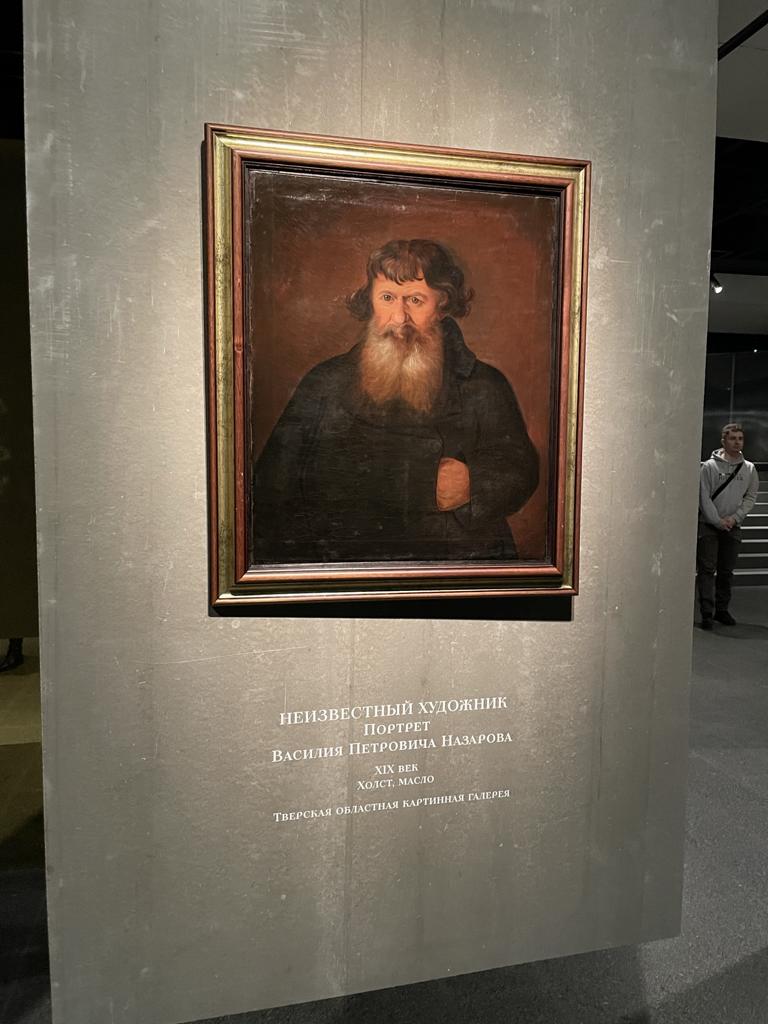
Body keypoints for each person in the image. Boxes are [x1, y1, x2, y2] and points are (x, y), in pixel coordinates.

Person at [252, 239, 539, 564]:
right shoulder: (325, 382)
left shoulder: (482, 384)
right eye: (387, 298)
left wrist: (475, 483)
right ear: (371, 300)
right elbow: (271, 489)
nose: (399, 318)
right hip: (346, 567)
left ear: (442, 305)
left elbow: (520, 466)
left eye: (415, 300)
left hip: (452, 568)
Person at [696, 423, 760, 629]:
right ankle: (707, 613)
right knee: (707, 570)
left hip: (733, 526)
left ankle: (722, 610)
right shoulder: (709, 467)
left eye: (740, 438)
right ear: (723, 441)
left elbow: (750, 497)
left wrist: (735, 518)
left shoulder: (749, 468)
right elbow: (703, 496)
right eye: (733, 438)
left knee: (726, 571)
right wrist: (717, 520)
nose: (737, 442)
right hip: (709, 525)